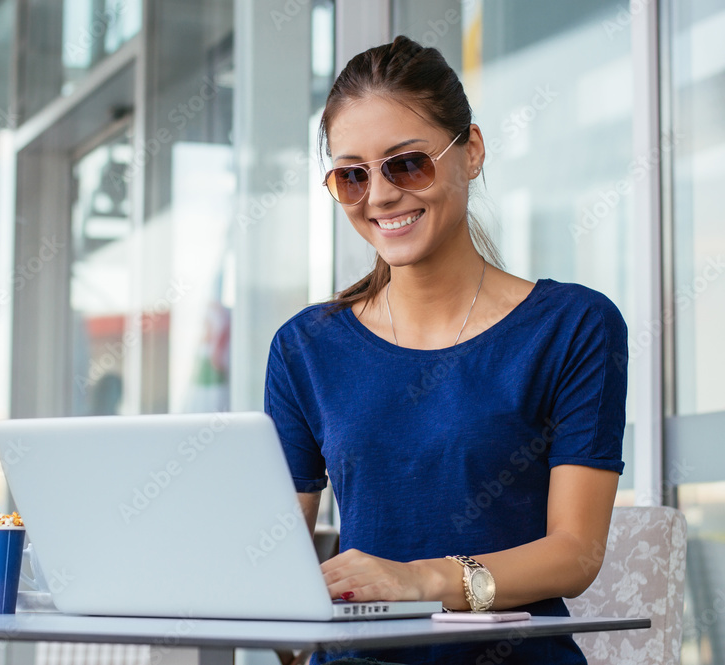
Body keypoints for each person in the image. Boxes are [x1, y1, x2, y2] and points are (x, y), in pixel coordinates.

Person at [264, 36, 627, 665]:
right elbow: (274, 556)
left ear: (473, 152)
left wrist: (422, 581)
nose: (378, 196)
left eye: (406, 164)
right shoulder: (305, 348)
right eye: (351, 176)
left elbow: (576, 553)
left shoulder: (573, 326)